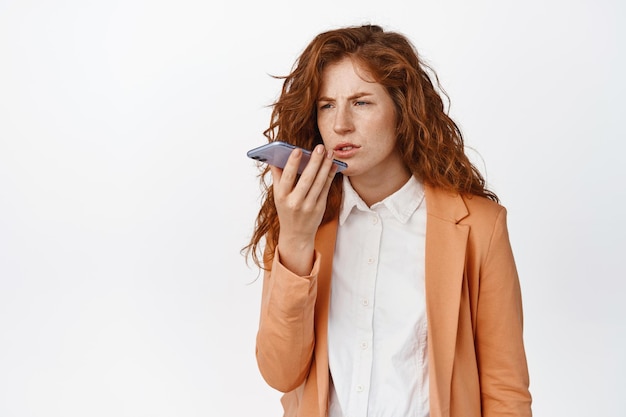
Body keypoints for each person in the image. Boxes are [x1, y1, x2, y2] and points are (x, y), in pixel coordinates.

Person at [244, 24, 532, 417]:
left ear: (402, 111)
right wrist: (295, 241)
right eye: (327, 105)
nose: (340, 123)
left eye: (361, 102)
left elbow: (505, 391)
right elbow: (281, 373)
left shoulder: (479, 227)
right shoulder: (301, 223)